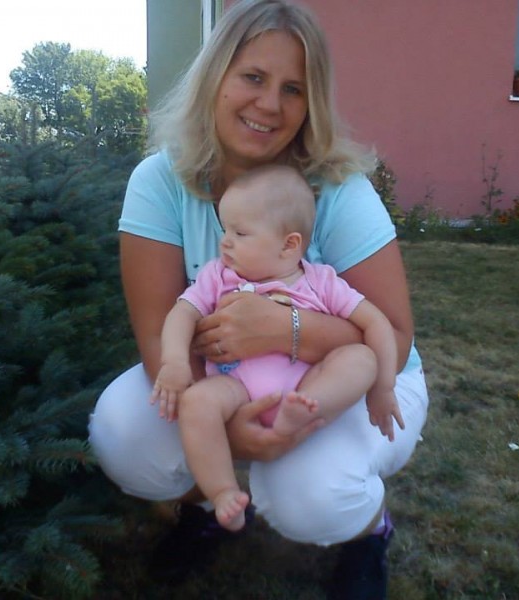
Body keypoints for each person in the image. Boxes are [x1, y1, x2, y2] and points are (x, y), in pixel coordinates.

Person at [88, 0, 429, 597]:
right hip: (225, 379)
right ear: (215, 76)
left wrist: (284, 330)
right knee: (125, 434)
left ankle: (367, 530)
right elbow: (160, 332)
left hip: (356, 380)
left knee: (307, 497)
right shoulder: (160, 182)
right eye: (253, 77)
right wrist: (222, 426)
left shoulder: (337, 189)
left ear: (311, 102)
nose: (269, 104)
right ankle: (210, 505)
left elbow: (393, 337)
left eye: (293, 89)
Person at [151, 164, 403, 533]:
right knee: (196, 403)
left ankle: (302, 410)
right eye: (225, 230)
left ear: (289, 245)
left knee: (361, 358)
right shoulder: (217, 276)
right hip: (234, 387)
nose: (225, 242)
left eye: (240, 233)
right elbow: (182, 313)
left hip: (306, 386)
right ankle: (223, 492)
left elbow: (377, 323)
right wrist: (174, 362)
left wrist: (383, 388)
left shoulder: (320, 282)